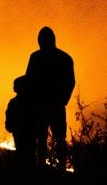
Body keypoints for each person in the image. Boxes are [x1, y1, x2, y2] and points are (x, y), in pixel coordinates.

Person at [25, 26, 75, 171]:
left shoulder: (36, 57)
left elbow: (29, 80)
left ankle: (41, 167)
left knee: (42, 138)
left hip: (41, 104)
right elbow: (70, 82)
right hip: (55, 105)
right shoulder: (65, 58)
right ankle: (60, 168)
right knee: (59, 138)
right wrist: (62, 100)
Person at [5, 75, 36, 171]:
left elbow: (9, 115)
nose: (13, 86)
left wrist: (9, 125)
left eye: (15, 85)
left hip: (19, 131)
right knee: (29, 152)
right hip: (26, 131)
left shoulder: (14, 102)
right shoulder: (32, 102)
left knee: (22, 151)